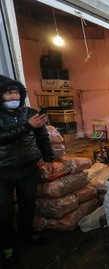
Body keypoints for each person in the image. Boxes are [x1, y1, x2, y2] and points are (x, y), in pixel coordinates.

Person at [0, 75, 54, 267]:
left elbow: (42, 136)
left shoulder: (29, 112)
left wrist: (49, 158)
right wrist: (27, 126)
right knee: (4, 212)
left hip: (27, 168)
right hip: (3, 171)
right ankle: (7, 247)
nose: (13, 96)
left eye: (16, 92)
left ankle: (27, 236)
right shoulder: (25, 119)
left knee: (28, 205)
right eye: (8, 92)